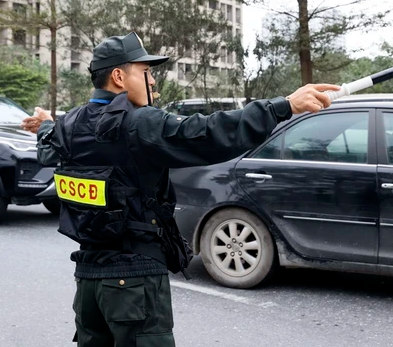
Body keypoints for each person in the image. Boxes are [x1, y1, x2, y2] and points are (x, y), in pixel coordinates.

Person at [20, 31, 340, 347]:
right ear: (119, 76)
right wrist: (282, 107)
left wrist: (47, 122)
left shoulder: (70, 124)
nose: (153, 81)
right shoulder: (139, 123)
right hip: (134, 283)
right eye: (145, 72)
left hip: (88, 285)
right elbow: (207, 133)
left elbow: (49, 149)